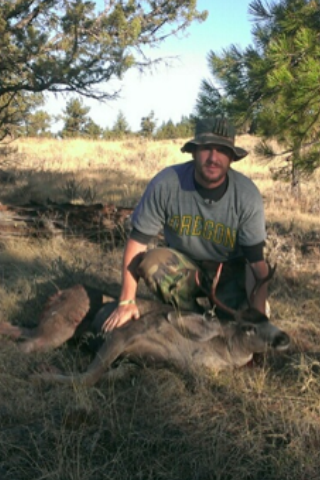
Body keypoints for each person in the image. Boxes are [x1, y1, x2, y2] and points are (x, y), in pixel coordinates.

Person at [103, 117, 269, 331]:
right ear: (193, 151)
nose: (213, 158)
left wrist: (259, 319)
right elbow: (137, 244)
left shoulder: (247, 195)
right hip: (186, 268)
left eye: (222, 150)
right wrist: (126, 302)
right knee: (152, 261)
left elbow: (256, 265)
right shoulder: (167, 184)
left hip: (228, 273)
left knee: (239, 326)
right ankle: (193, 317)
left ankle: (228, 315)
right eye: (206, 148)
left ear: (232, 157)